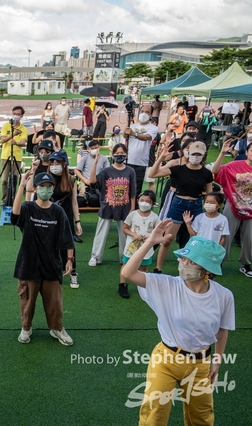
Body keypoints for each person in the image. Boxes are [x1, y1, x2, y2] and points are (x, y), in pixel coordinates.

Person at [122, 226, 234, 426]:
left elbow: (222, 329)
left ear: (207, 270)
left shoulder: (224, 296)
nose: (184, 264)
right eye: (183, 258)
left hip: (201, 363)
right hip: (165, 360)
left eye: (192, 261)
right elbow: (128, 272)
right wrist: (150, 242)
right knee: (154, 414)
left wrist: (217, 361)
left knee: (202, 417)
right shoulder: (167, 285)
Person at [12, 171, 75, 346]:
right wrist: (21, 185)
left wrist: (70, 260)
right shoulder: (28, 208)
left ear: (53, 189)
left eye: (49, 187)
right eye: (42, 186)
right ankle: (26, 328)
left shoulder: (58, 212)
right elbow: (14, 215)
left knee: (55, 302)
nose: (45, 190)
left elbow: (67, 237)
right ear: (35, 189)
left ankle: (57, 328)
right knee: (27, 301)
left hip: (51, 265)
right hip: (28, 265)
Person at [148, 142, 213, 273]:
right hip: (178, 204)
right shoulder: (178, 169)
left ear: (203, 155)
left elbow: (209, 193)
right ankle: (158, 268)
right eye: (193, 154)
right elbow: (152, 174)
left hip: (196, 205)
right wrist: (160, 158)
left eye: (199, 155)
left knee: (196, 239)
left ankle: (194, 268)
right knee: (168, 239)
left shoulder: (206, 173)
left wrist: (210, 208)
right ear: (188, 153)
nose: (196, 157)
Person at [88, 143, 137, 267]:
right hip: (107, 206)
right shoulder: (106, 171)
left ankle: (125, 257)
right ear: (112, 154)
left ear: (126, 154)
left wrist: (132, 208)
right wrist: (95, 164)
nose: (120, 155)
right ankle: (95, 256)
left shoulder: (130, 171)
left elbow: (132, 192)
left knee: (125, 234)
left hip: (124, 207)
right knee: (101, 233)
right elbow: (92, 182)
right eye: (117, 153)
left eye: (122, 153)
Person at [211, 140, 252, 277]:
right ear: (246, 152)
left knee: (249, 237)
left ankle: (246, 264)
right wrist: (222, 153)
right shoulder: (234, 165)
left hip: (251, 209)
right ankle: (219, 262)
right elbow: (215, 172)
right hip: (233, 205)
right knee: (225, 235)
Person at [44, 150, 83, 285]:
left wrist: (78, 222)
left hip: (66, 218)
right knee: (50, 245)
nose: (54, 165)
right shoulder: (47, 179)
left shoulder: (71, 180)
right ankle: (53, 272)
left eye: (57, 163)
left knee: (69, 245)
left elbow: (74, 202)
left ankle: (73, 272)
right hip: (50, 217)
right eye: (52, 163)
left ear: (64, 163)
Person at [119, 190, 160, 298]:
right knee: (126, 264)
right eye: (142, 200)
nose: (144, 203)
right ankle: (122, 285)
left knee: (144, 267)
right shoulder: (132, 215)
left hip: (146, 247)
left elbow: (159, 231)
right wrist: (134, 234)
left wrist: (151, 237)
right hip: (132, 246)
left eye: (148, 201)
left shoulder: (154, 217)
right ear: (138, 200)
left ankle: (143, 287)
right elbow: (125, 228)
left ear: (153, 203)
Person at [125, 107, 158, 193]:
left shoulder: (153, 128)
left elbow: (147, 137)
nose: (144, 113)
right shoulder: (132, 126)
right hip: (128, 160)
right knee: (125, 187)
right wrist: (128, 122)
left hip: (141, 163)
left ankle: (134, 202)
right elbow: (125, 136)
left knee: (136, 189)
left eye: (147, 112)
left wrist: (134, 134)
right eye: (142, 111)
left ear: (151, 115)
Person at [0, 106, 27, 204]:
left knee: (14, 180)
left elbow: (23, 142)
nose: (16, 116)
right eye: (14, 114)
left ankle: (12, 200)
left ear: (22, 116)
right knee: (4, 180)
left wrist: (16, 143)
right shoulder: (6, 125)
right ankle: (4, 199)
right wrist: (13, 134)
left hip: (17, 157)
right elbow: (3, 140)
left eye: (18, 114)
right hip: (5, 156)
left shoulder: (23, 128)